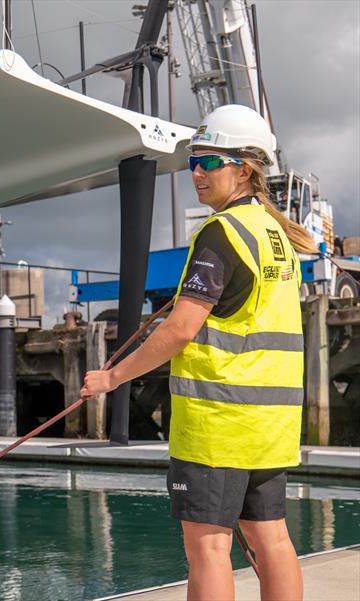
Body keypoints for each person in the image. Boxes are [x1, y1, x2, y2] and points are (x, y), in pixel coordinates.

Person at [80, 105, 317, 601]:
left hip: (218, 423)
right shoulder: (277, 238)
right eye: (194, 160)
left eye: (210, 161)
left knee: (208, 549)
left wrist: (112, 377)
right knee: (271, 538)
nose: (196, 172)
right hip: (270, 424)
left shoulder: (221, 233)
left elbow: (179, 331)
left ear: (244, 168)